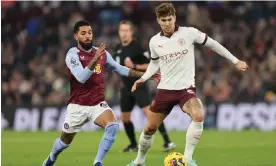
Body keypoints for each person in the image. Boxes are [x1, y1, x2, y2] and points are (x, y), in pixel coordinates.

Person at [127, 3, 249, 166]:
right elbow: (154, 64)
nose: (167, 23)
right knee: (149, 129)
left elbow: (213, 44)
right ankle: (139, 161)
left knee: (198, 115)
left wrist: (235, 61)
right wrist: (143, 78)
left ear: (175, 17)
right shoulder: (155, 41)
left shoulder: (189, 33)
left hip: (185, 90)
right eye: (164, 20)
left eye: (170, 19)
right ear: (158, 20)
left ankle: (188, 159)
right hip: (164, 90)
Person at [42, 20, 153, 166]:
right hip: (77, 106)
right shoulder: (72, 55)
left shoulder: (102, 53)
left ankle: (97, 163)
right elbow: (81, 78)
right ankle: (50, 159)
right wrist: (95, 59)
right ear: (76, 36)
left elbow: (120, 69)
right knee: (64, 142)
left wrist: (145, 75)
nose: (88, 36)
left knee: (112, 125)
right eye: (83, 33)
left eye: (89, 32)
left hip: (97, 104)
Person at [113, 20, 176, 152]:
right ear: (119, 32)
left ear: (131, 32)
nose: (124, 33)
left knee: (150, 114)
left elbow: (150, 64)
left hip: (139, 85)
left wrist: (134, 66)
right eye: (122, 30)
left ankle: (167, 142)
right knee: (125, 117)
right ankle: (133, 145)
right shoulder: (117, 48)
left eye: (126, 30)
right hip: (126, 87)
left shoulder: (137, 47)